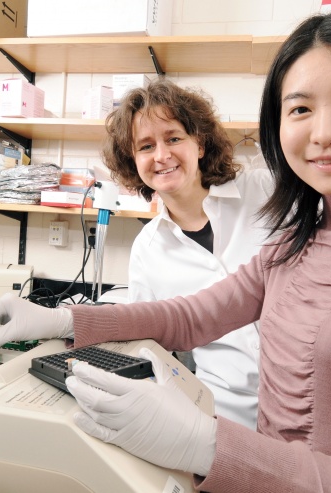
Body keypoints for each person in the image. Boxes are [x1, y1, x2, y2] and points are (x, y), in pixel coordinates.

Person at [0, 3, 331, 492]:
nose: (323, 132)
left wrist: (204, 444)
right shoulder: (298, 239)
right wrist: (59, 321)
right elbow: (192, 316)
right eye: (300, 109)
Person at [100, 78, 273, 430]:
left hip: (305, 406)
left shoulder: (266, 192)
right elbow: (149, 345)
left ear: (200, 144)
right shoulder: (148, 249)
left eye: (174, 138)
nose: (161, 156)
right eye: (145, 146)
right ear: (133, 162)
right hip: (225, 419)